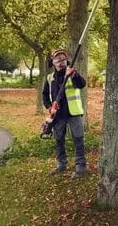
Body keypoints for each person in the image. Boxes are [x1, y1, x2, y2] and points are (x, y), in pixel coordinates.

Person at [42, 49, 87, 179]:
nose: (61, 61)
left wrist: (73, 75)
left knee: (78, 139)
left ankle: (81, 167)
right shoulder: (50, 78)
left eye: (63, 59)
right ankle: (61, 164)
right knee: (59, 140)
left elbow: (81, 84)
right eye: (57, 59)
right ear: (53, 62)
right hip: (57, 115)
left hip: (74, 113)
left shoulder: (72, 72)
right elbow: (45, 95)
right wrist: (50, 107)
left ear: (66, 60)